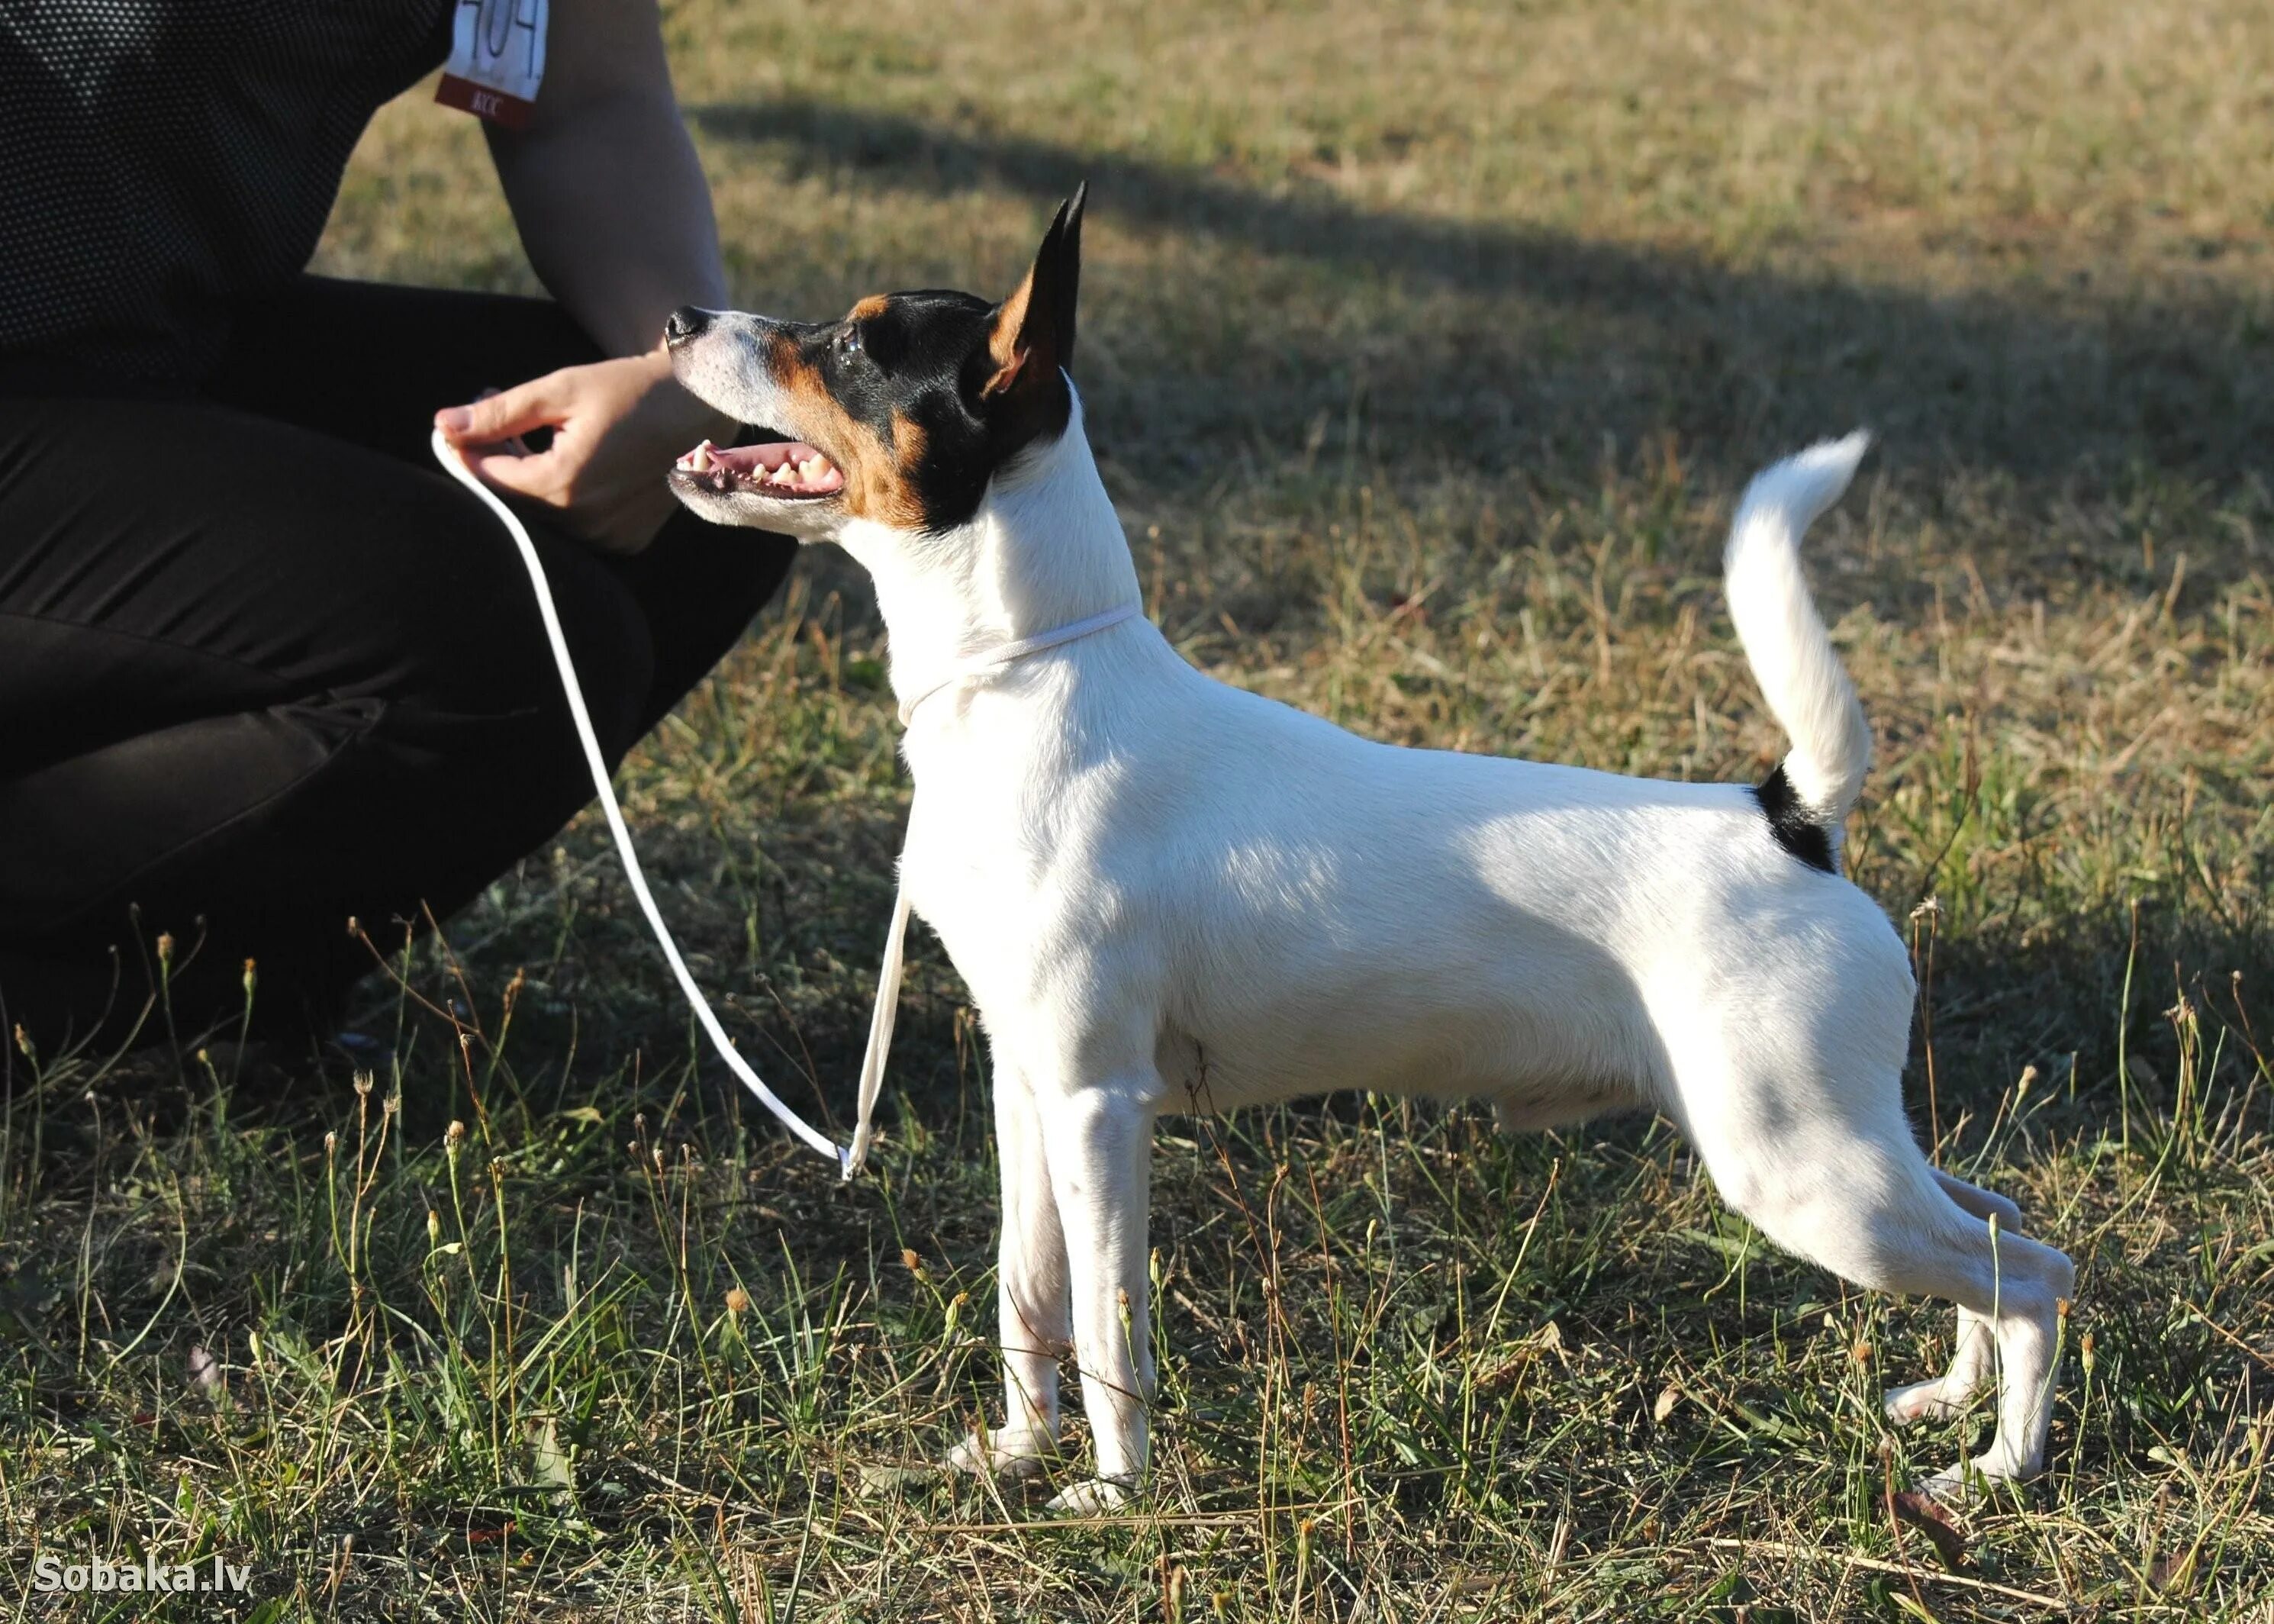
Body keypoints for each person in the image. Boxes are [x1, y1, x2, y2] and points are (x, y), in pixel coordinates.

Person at [0, 0, 791, 1046]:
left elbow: (583, 102)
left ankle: (209, 1000)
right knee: (500, 640)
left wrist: (688, 378)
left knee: (709, 496)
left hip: (146, 351)